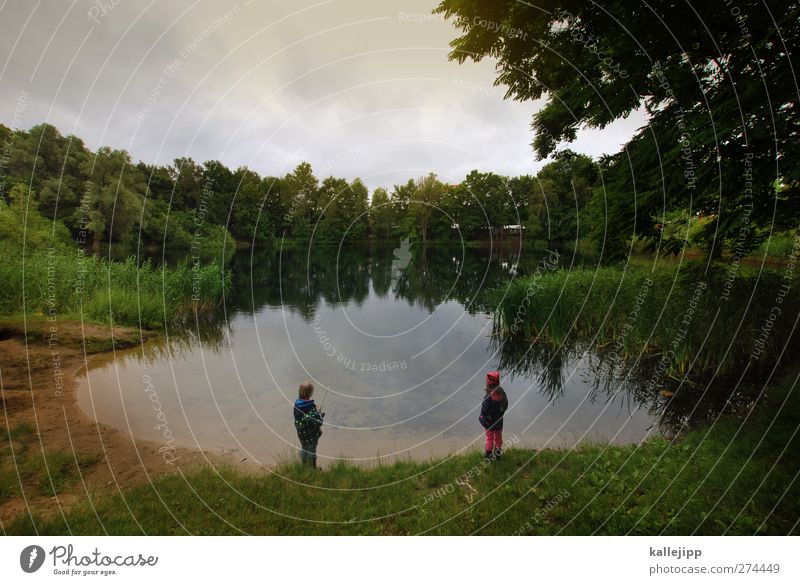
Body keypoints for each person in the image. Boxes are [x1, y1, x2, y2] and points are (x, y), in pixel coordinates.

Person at [293, 381, 324, 468]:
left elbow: (302, 418)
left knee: (304, 449)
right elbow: (319, 422)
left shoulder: (297, 404)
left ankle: (304, 466)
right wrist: (320, 413)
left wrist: (315, 410)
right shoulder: (311, 408)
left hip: (302, 435)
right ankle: (313, 468)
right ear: (310, 393)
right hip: (311, 435)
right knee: (312, 451)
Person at [479, 371, 508, 459]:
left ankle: (488, 456)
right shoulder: (503, 394)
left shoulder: (488, 398)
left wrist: (483, 420)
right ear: (498, 383)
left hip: (489, 423)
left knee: (489, 438)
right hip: (499, 422)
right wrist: (500, 414)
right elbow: (505, 406)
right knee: (498, 438)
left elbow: (484, 412)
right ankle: (497, 455)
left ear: (487, 384)